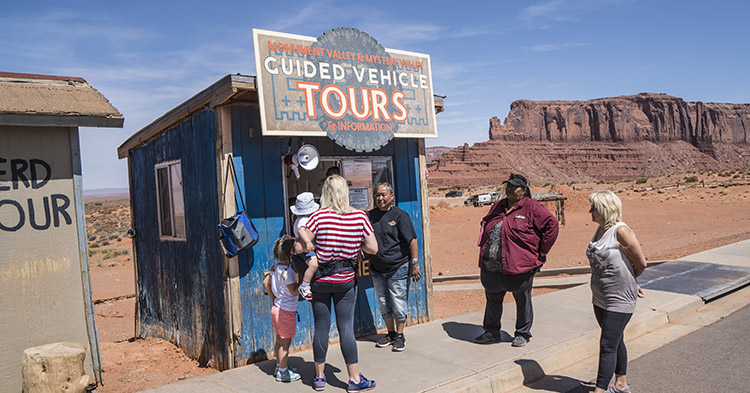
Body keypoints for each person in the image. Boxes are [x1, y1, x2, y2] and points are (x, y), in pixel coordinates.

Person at [298, 175, 378, 392]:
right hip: (345, 280)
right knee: (346, 329)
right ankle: (353, 379)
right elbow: (373, 248)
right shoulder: (359, 217)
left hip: (321, 280)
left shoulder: (320, 216)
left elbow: (305, 234)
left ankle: (319, 378)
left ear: (326, 193)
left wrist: (307, 243)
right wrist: (357, 248)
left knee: (321, 328)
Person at [474, 173, 559, 347]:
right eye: (508, 186)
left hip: (519, 265)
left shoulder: (532, 207)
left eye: (514, 186)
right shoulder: (498, 206)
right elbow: (486, 223)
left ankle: (522, 333)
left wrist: (542, 251)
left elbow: (552, 225)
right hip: (492, 265)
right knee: (492, 299)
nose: (510, 189)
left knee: (522, 299)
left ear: (524, 190)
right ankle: (491, 332)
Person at [587, 190, 647, 393]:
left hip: (619, 297)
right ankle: (621, 385)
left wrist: (631, 280)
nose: (590, 211)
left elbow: (640, 262)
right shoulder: (599, 230)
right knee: (615, 338)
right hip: (600, 296)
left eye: (593, 208)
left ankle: (600, 390)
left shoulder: (621, 231)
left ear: (604, 209)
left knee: (607, 344)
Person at [367, 183, 420, 352]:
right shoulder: (370, 216)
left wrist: (414, 264)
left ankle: (400, 335)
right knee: (383, 303)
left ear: (392, 196)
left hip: (398, 266)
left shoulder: (400, 215)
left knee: (398, 302)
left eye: (383, 195)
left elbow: (412, 240)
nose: (380, 198)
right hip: (377, 268)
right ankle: (390, 334)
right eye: (377, 195)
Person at [264, 237, 301, 383]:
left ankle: (279, 366)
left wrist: (273, 298)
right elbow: (293, 291)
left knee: (279, 340)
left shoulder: (275, 268)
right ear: (292, 254)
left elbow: (265, 282)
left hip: (277, 308)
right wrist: (303, 285)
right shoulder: (288, 271)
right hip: (286, 311)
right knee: (285, 344)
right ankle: (283, 373)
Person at [290, 192, 319, 300]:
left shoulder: (300, 219)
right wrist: (307, 242)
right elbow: (301, 230)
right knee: (314, 265)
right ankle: (305, 285)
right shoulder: (304, 220)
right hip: (307, 251)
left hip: (306, 250)